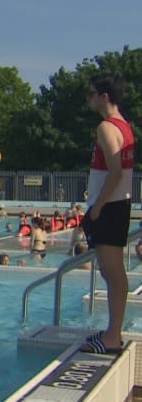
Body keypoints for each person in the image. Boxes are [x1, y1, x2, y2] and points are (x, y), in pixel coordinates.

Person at [81, 73, 135, 355]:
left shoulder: (106, 127)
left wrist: (98, 207)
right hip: (118, 205)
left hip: (110, 206)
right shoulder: (125, 126)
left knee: (113, 273)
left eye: (91, 94)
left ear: (104, 96)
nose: (88, 99)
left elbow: (114, 172)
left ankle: (113, 336)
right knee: (112, 272)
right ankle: (112, 331)